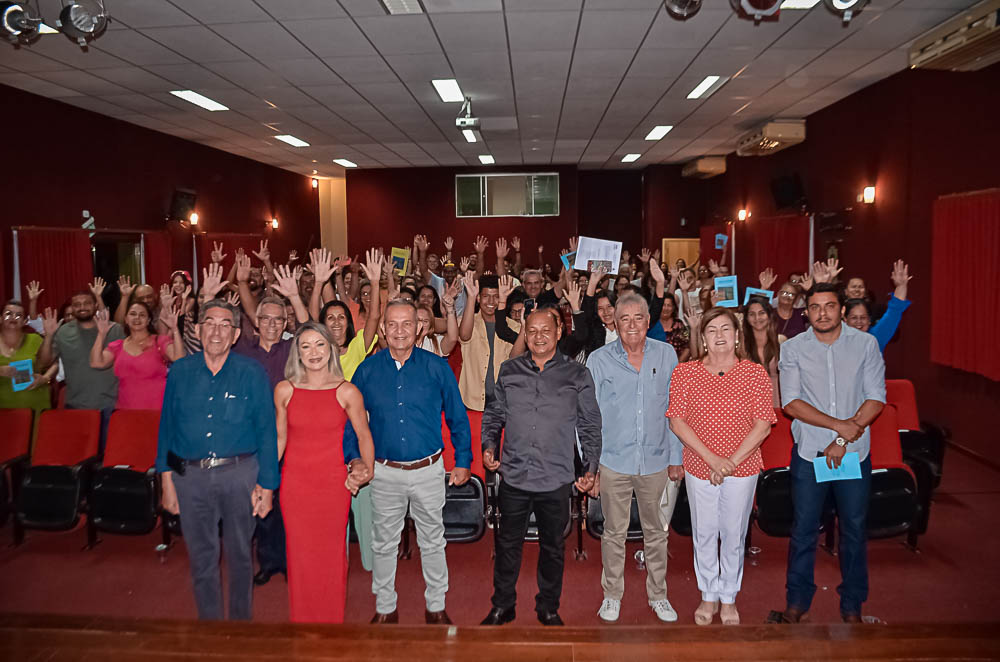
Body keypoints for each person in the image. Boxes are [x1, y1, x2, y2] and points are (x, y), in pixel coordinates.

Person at [345, 299, 472, 624]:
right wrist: (354, 459)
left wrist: (463, 460)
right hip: (384, 473)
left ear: (418, 329)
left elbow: (458, 417)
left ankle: (436, 605)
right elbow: (352, 422)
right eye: (393, 324)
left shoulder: (436, 367)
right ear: (383, 329)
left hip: (429, 471)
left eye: (407, 324)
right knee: (383, 543)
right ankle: (385, 607)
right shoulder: (368, 370)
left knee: (433, 540)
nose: (400, 331)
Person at [156, 299, 279, 621]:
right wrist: (166, 481)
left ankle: (240, 629)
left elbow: (267, 431)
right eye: (210, 322)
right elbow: (166, 429)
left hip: (240, 475)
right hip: (190, 478)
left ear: (236, 334)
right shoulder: (180, 372)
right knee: (201, 557)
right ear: (198, 329)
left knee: (240, 556)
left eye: (226, 325)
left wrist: (267, 486)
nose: (217, 331)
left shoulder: (252, 373)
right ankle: (208, 627)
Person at [480, 306, 602, 627]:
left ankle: (548, 606)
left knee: (553, 548)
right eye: (531, 331)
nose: (538, 337)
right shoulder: (509, 371)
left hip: (556, 478)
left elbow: (590, 424)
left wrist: (590, 466)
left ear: (559, 332)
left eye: (545, 330)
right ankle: (502, 605)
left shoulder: (577, 374)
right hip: (515, 475)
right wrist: (489, 445)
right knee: (507, 545)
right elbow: (494, 414)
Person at [774, 283, 885, 625]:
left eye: (830, 306)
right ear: (806, 311)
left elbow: (876, 397)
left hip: (853, 453)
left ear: (841, 309)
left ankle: (852, 605)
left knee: (853, 528)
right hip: (811, 454)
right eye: (816, 307)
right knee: (804, 529)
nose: (823, 313)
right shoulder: (793, 348)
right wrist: (840, 427)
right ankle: (797, 602)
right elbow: (791, 403)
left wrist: (845, 438)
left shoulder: (865, 345)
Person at [666, 307, 776, 626]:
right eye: (711, 330)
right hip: (701, 465)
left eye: (725, 329)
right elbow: (677, 421)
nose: (719, 336)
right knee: (704, 532)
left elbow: (763, 426)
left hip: (743, 466)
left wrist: (729, 462)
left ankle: (728, 597)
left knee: (732, 532)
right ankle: (708, 595)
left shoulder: (754, 373)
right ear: (702, 337)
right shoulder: (685, 372)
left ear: (737, 334)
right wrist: (713, 459)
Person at [585, 294, 683, 624]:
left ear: (647, 320)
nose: (631, 325)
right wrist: (592, 466)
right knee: (614, 532)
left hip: (656, 461)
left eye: (638, 318)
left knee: (657, 533)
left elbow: (675, 411)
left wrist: (675, 456)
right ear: (613, 321)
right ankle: (611, 595)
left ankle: (659, 596)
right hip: (613, 462)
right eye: (623, 318)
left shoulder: (666, 354)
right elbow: (588, 418)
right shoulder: (598, 360)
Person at [274, 322, 375, 623]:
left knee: (331, 557)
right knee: (300, 557)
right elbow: (279, 440)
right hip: (294, 486)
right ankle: (302, 623)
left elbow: (364, 435)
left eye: (319, 344)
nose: (313, 352)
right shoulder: (284, 390)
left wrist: (366, 470)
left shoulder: (347, 391)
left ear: (330, 348)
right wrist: (265, 480)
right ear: (297, 353)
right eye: (305, 346)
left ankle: (332, 624)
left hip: (333, 486)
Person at [38, 290, 124, 450]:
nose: (82, 307)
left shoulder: (114, 330)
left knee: (110, 460)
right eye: (77, 304)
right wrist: (49, 336)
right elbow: (44, 362)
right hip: (76, 406)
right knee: (81, 460)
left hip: (110, 406)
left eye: (86, 303)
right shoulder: (63, 332)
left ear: (96, 305)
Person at [88, 303, 183, 409]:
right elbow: (96, 362)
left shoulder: (159, 341)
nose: (137, 317)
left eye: (142, 315)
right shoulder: (118, 346)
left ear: (148, 321)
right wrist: (101, 334)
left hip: (157, 411)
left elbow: (179, 357)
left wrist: (175, 329)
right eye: (133, 314)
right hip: (125, 411)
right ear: (126, 319)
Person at [458, 273, 517, 412]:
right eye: (485, 296)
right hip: (471, 399)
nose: (491, 301)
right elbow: (464, 335)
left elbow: (515, 358)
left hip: (503, 399)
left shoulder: (514, 327)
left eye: (496, 296)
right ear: (479, 298)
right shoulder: (468, 321)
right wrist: (471, 298)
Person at [844, 260, 912, 353]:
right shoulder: (834, 338)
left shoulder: (876, 337)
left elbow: (895, 311)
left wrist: (901, 286)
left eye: (863, 317)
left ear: (869, 320)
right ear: (845, 320)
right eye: (854, 317)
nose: (858, 322)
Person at [0, 300, 55, 412]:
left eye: (19, 315)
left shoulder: (35, 339)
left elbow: (51, 363)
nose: (13, 317)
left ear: (25, 321)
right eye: (8, 314)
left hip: (36, 407)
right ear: (0, 318)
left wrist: (45, 379)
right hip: (4, 411)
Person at [743, 296, 783, 407]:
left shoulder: (781, 342)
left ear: (769, 316)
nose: (757, 318)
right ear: (746, 318)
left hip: (777, 404)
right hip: (750, 407)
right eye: (752, 314)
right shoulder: (741, 347)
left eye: (761, 313)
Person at [647, 292, 690, 361]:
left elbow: (687, 347)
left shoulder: (679, 324)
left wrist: (678, 364)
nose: (666, 308)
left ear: (673, 308)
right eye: (663, 305)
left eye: (669, 305)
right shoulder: (651, 325)